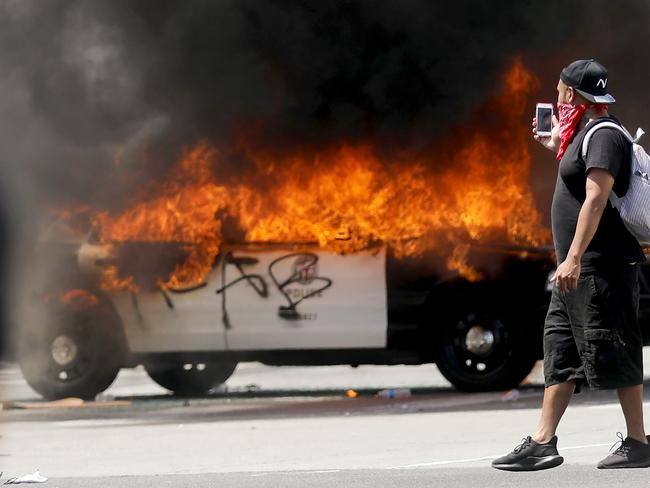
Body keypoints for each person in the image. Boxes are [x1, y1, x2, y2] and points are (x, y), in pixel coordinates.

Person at [492, 59, 648, 471]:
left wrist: (575, 256)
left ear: (572, 95)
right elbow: (578, 184)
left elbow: (596, 200)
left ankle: (638, 441)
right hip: (574, 270)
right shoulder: (582, 135)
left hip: (601, 267)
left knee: (616, 344)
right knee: (559, 348)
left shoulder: (604, 136)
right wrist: (557, 146)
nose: (558, 98)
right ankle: (543, 441)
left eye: (562, 91)